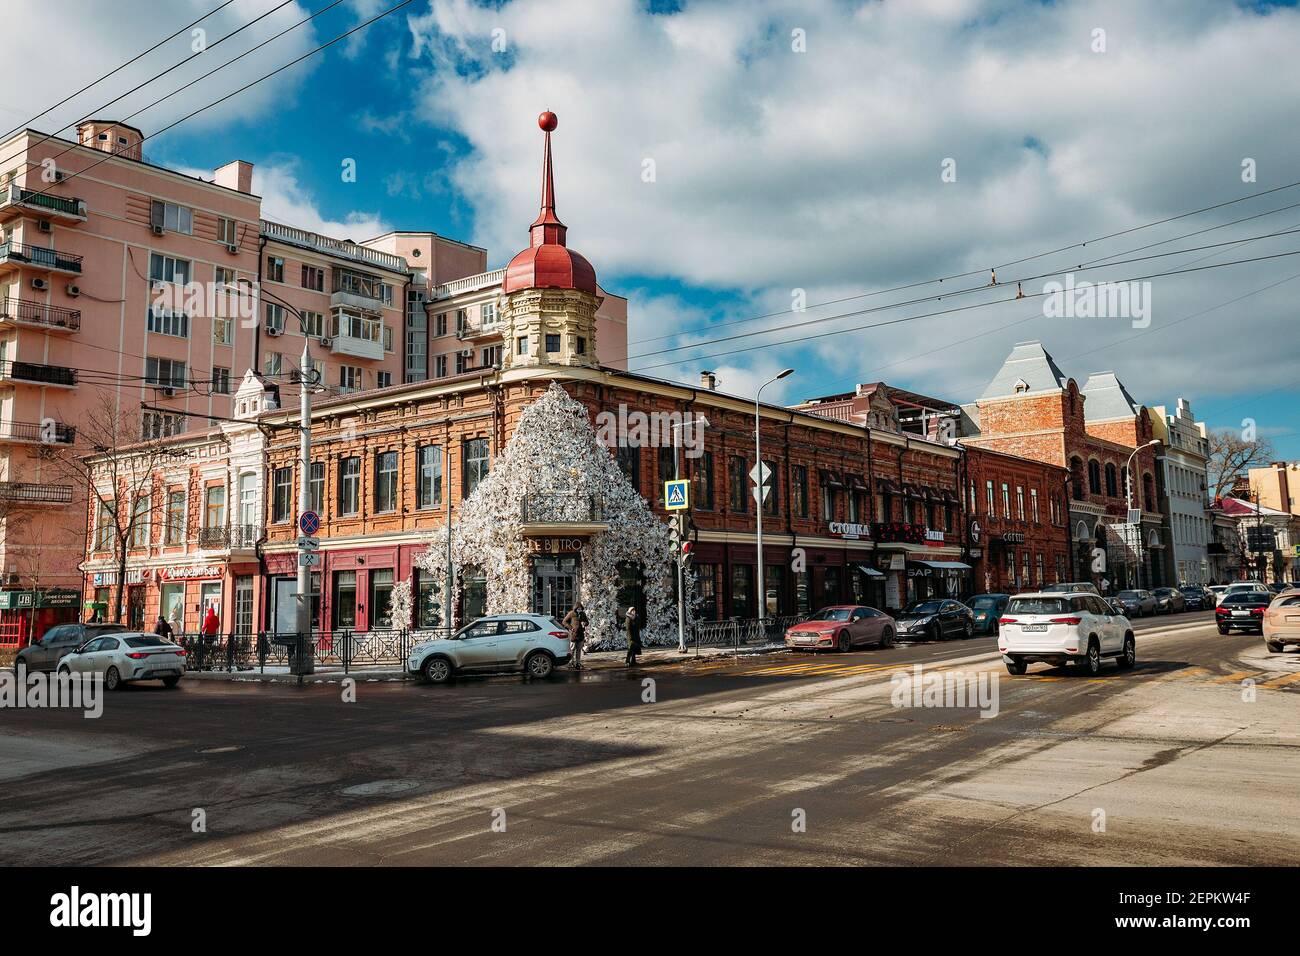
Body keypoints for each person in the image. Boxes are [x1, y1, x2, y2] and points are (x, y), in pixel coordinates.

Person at [562, 602, 589, 670]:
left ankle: (578, 662)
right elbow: (564, 621)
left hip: (580, 634)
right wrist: (571, 628)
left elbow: (587, 622)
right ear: (575, 608)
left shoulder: (583, 614)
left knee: (579, 650)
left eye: (580, 609)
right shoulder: (571, 613)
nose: (579, 610)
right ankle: (571, 662)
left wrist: (585, 623)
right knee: (572, 649)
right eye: (578, 609)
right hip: (573, 635)